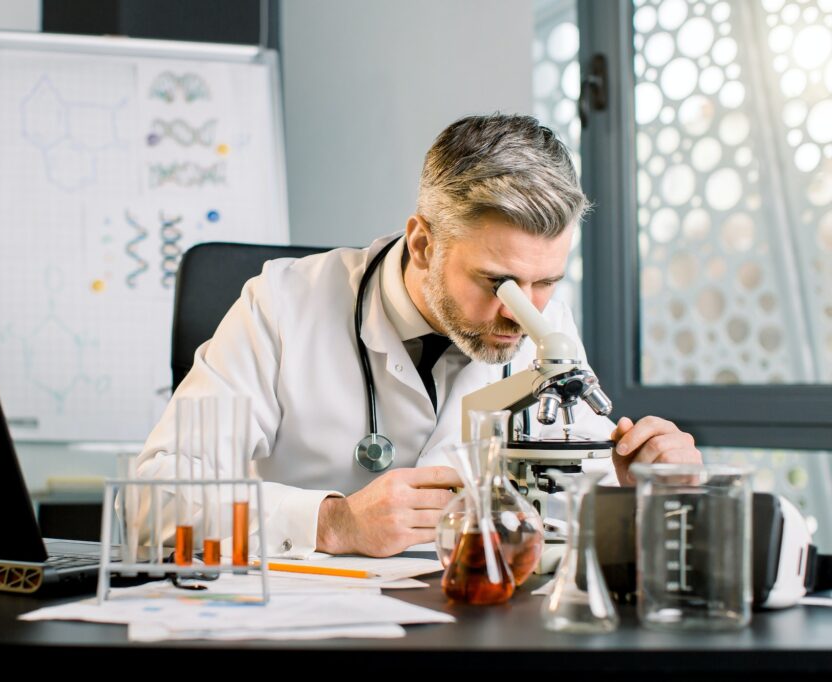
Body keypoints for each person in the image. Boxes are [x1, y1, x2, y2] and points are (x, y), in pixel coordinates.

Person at [136, 113, 701, 559]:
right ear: (423, 244)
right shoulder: (283, 305)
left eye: (546, 282)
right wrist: (333, 523)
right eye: (498, 283)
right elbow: (151, 499)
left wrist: (641, 484)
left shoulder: (543, 325)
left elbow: (567, 498)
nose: (523, 314)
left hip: (473, 622)